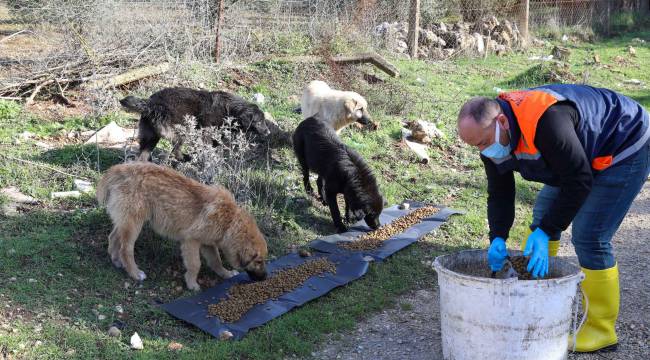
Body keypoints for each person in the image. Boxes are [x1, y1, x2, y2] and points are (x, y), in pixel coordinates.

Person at [457, 84, 650, 353]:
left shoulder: (547, 122)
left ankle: (601, 329)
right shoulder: (492, 137)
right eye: (475, 146)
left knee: (589, 236)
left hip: (623, 141)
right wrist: (497, 236)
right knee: (542, 216)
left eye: (483, 143)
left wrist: (548, 229)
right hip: (575, 153)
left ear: (501, 121)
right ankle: (537, 295)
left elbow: (579, 180)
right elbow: (500, 191)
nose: (483, 151)